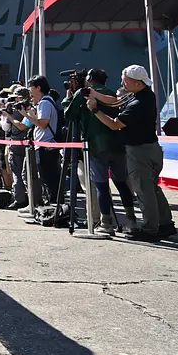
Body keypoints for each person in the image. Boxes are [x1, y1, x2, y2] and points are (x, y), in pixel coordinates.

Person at [87, 65, 176, 240]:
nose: (122, 83)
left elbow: (114, 124)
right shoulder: (146, 96)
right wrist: (96, 95)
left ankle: (150, 229)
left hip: (139, 151)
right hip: (152, 148)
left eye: (126, 81)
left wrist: (95, 110)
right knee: (153, 188)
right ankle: (166, 223)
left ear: (137, 83)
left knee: (143, 190)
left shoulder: (136, 104)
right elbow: (115, 101)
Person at [64, 68, 136, 235]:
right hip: (117, 145)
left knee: (101, 186)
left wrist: (69, 97)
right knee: (122, 184)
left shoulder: (84, 94)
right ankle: (131, 220)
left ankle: (106, 222)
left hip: (96, 146)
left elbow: (69, 115)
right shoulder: (113, 95)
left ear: (89, 79)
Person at [26, 75, 62, 205]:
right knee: (49, 179)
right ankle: (53, 205)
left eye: (31, 90)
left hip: (46, 146)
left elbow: (42, 123)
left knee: (49, 179)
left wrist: (26, 115)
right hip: (46, 145)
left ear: (38, 88)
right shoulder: (47, 102)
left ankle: (54, 206)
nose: (30, 94)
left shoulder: (45, 103)